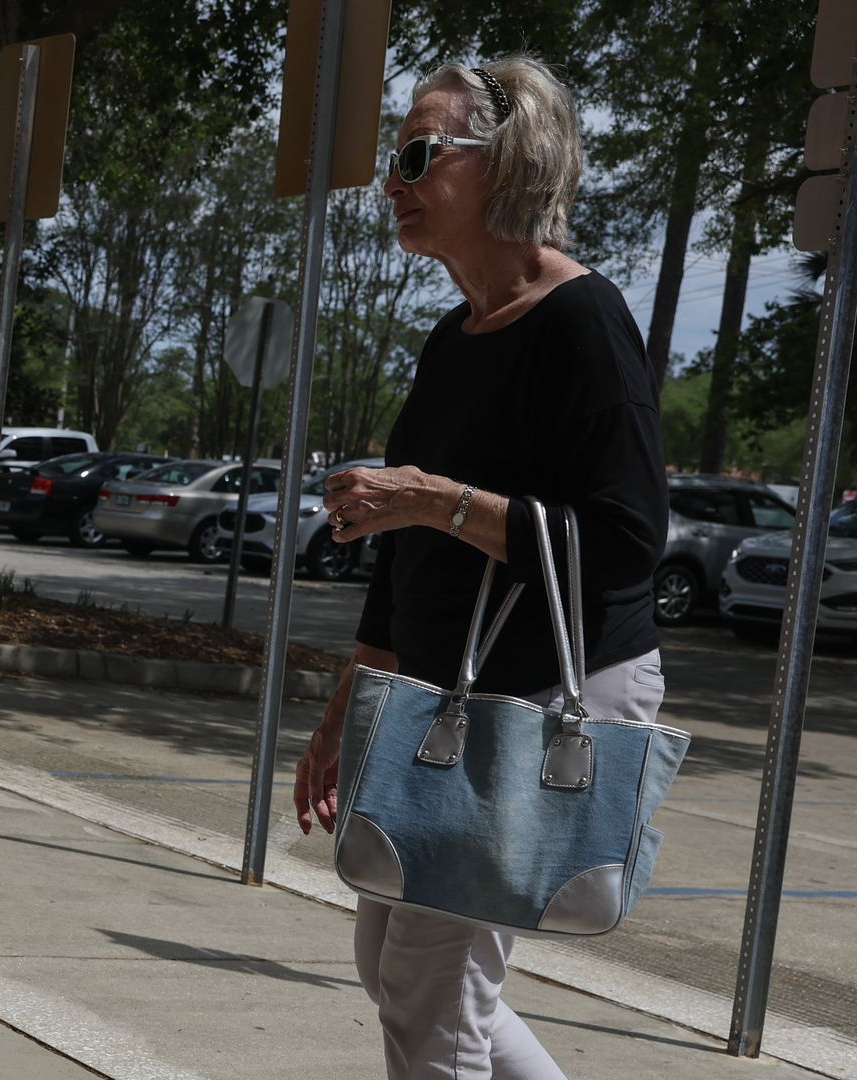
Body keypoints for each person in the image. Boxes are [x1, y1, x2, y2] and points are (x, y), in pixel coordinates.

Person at [293, 58, 669, 1079]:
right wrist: (342, 714)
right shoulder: (451, 339)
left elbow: (630, 544)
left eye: (418, 156)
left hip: (546, 695)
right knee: (391, 963)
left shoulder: (584, 324)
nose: (392, 184)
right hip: (446, 700)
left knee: (432, 997)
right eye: (393, 161)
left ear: (504, 163)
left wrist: (431, 498)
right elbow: (400, 557)